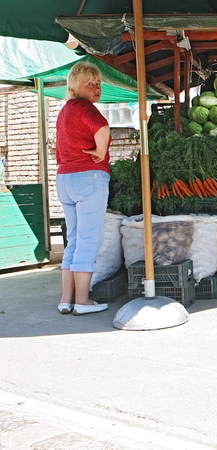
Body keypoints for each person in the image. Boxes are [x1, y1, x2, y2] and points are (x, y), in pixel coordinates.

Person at [55, 62, 112, 315]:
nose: (96, 87)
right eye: (90, 83)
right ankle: (82, 301)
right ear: (75, 86)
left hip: (65, 178)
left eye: (98, 83)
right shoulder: (85, 107)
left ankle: (66, 300)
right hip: (88, 177)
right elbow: (103, 129)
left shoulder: (65, 110)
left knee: (74, 240)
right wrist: (101, 151)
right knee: (89, 240)